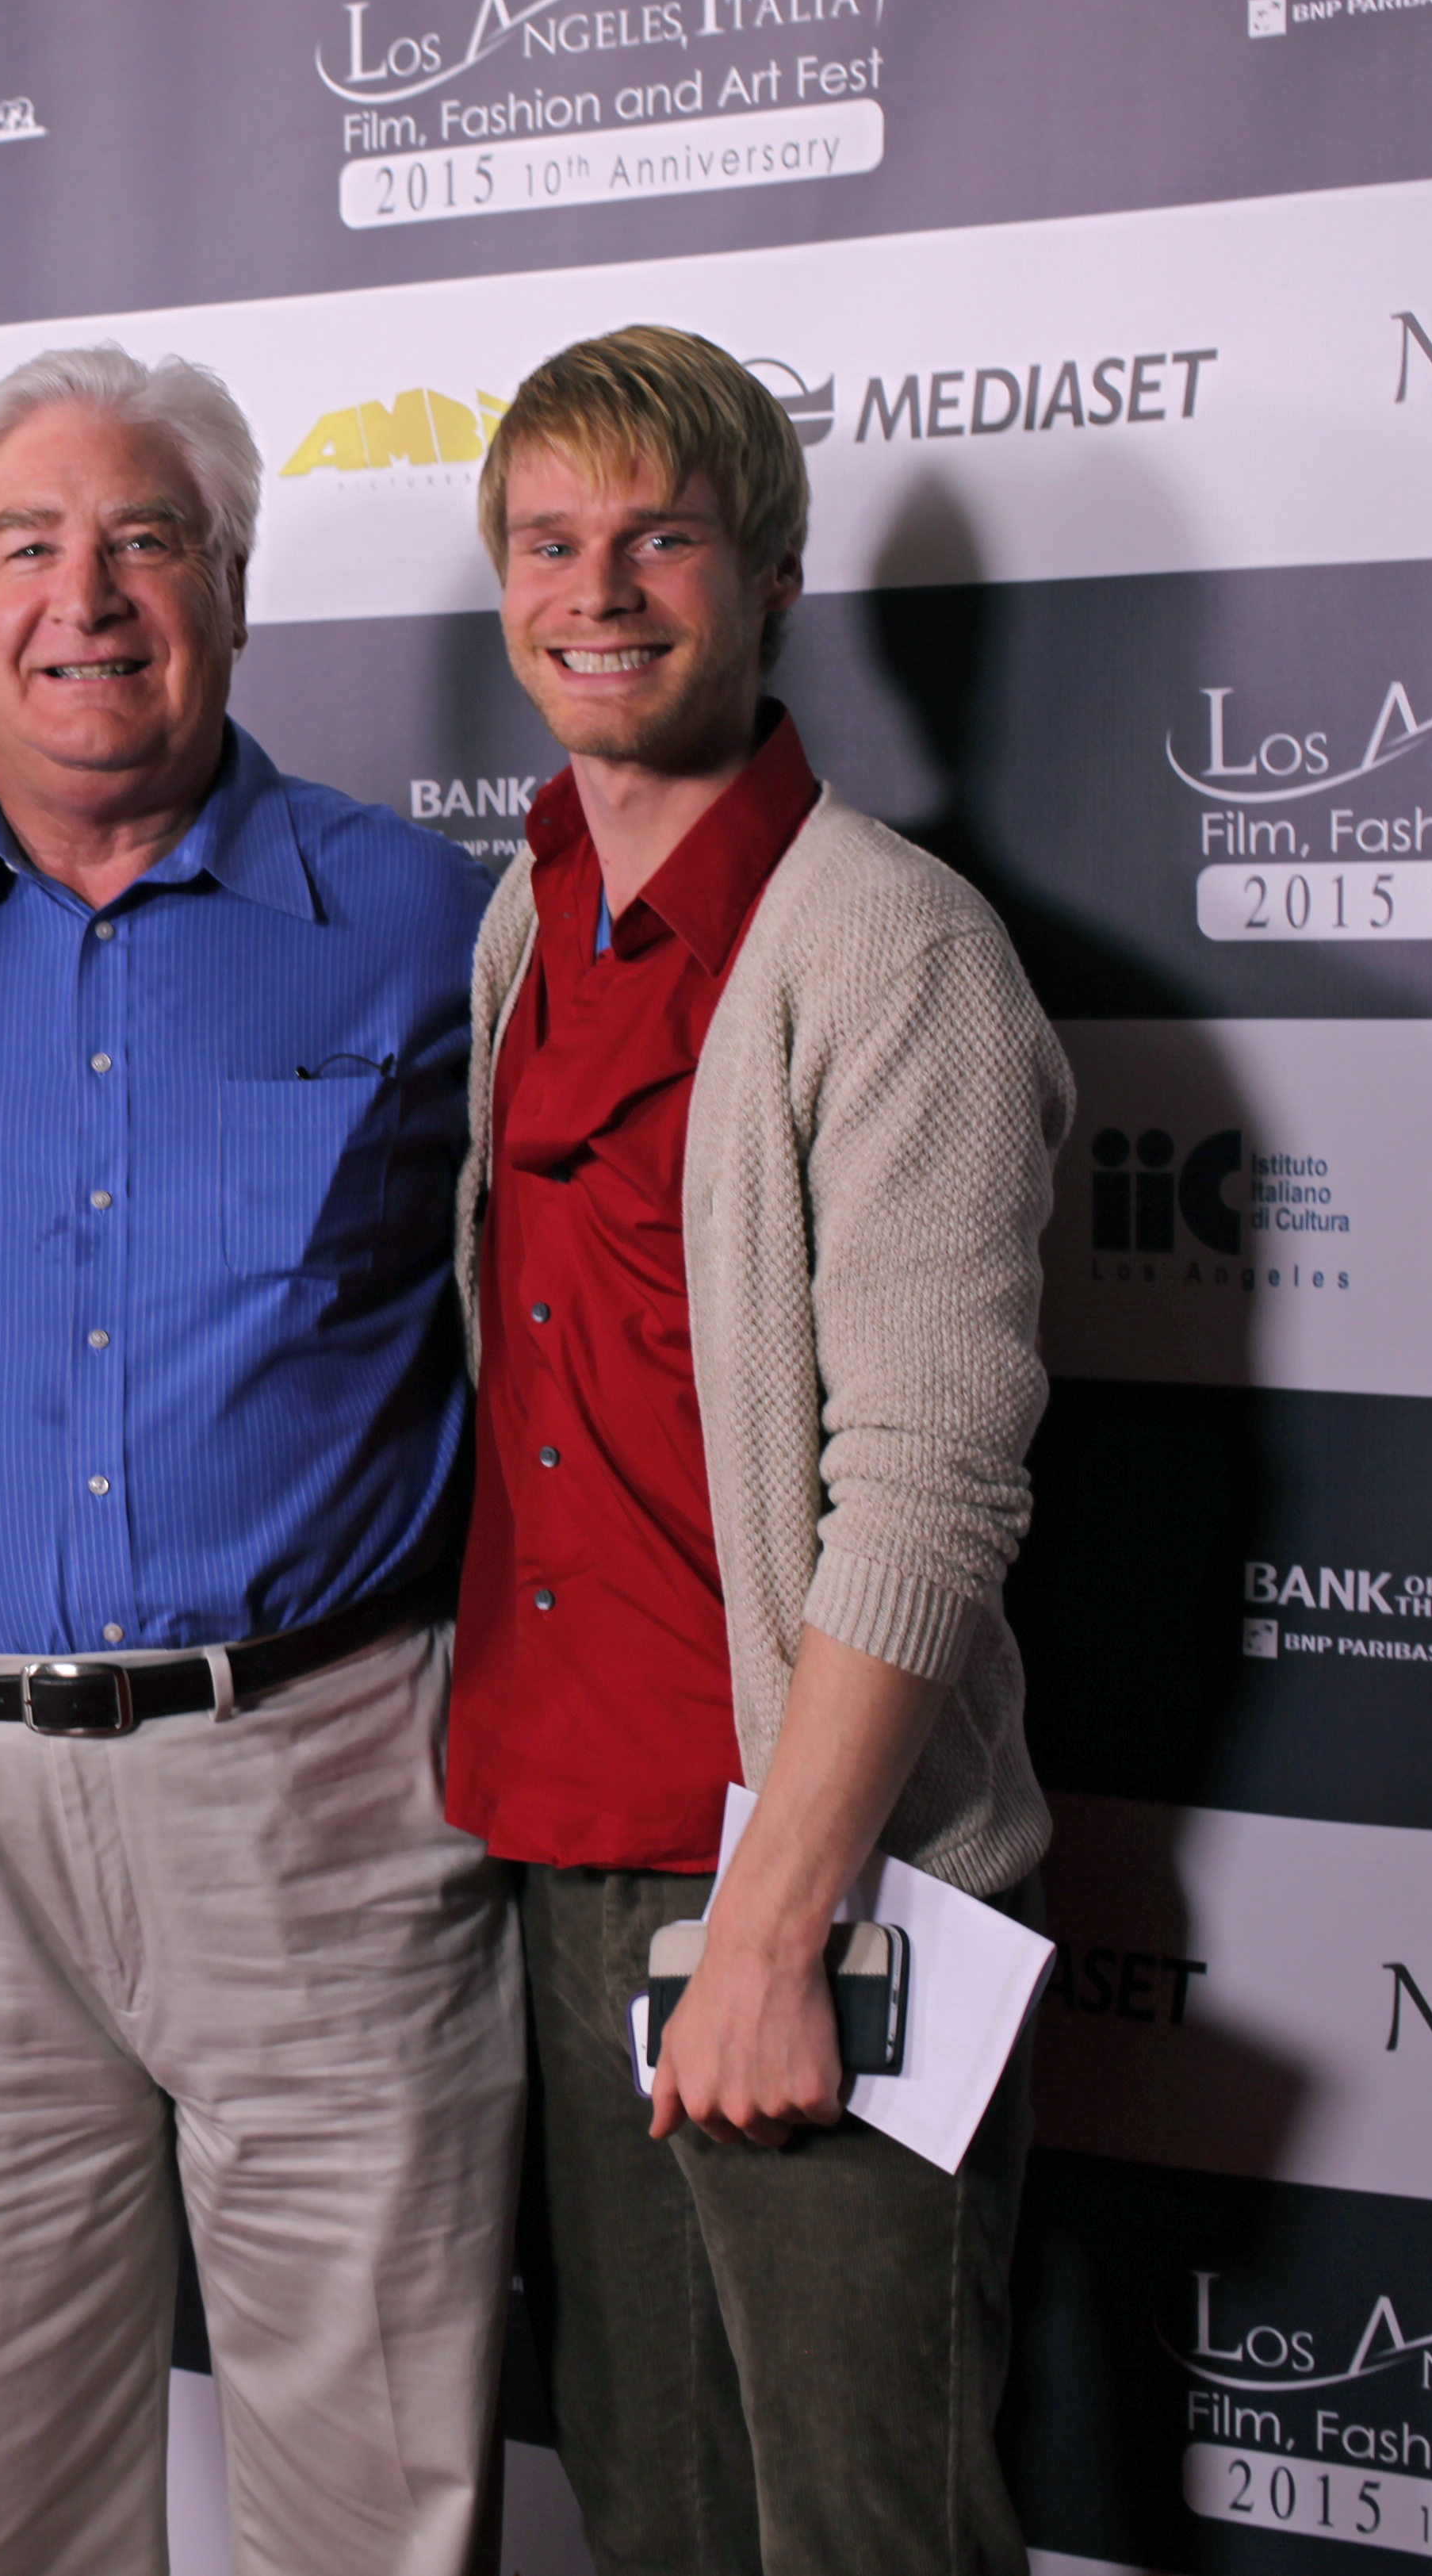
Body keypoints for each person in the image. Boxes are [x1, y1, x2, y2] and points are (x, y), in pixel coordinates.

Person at [0, 347, 523, 2576]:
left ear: (235, 595)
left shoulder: (436, 925)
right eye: (27, 549)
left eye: (145, 540)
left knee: (372, 2490)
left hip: (330, 1796)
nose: (88, 596)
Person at [450, 324, 1072, 2575]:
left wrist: (773, 1923)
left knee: (860, 2536)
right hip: (571, 1867)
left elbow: (925, 1486)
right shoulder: (528, 917)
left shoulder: (890, 954)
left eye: (659, 539)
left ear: (769, 575)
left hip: (814, 1890)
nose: (596, 589)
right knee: (662, 2519)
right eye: (547, 540)